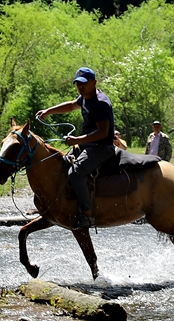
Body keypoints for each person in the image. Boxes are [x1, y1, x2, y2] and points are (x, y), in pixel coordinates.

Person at [35, 67, 116, 228]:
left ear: (94, 82)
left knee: (76, 173)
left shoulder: (101, 103)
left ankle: (87, 215)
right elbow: (72, 105)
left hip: (101, 148)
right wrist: (48, 111)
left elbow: (103, 132)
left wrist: (77, 139)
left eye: (84, 83)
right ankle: (65, 204)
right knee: (63, 163)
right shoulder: (86, 97)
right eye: (78, 83)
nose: (80, 86)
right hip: (88, 145)